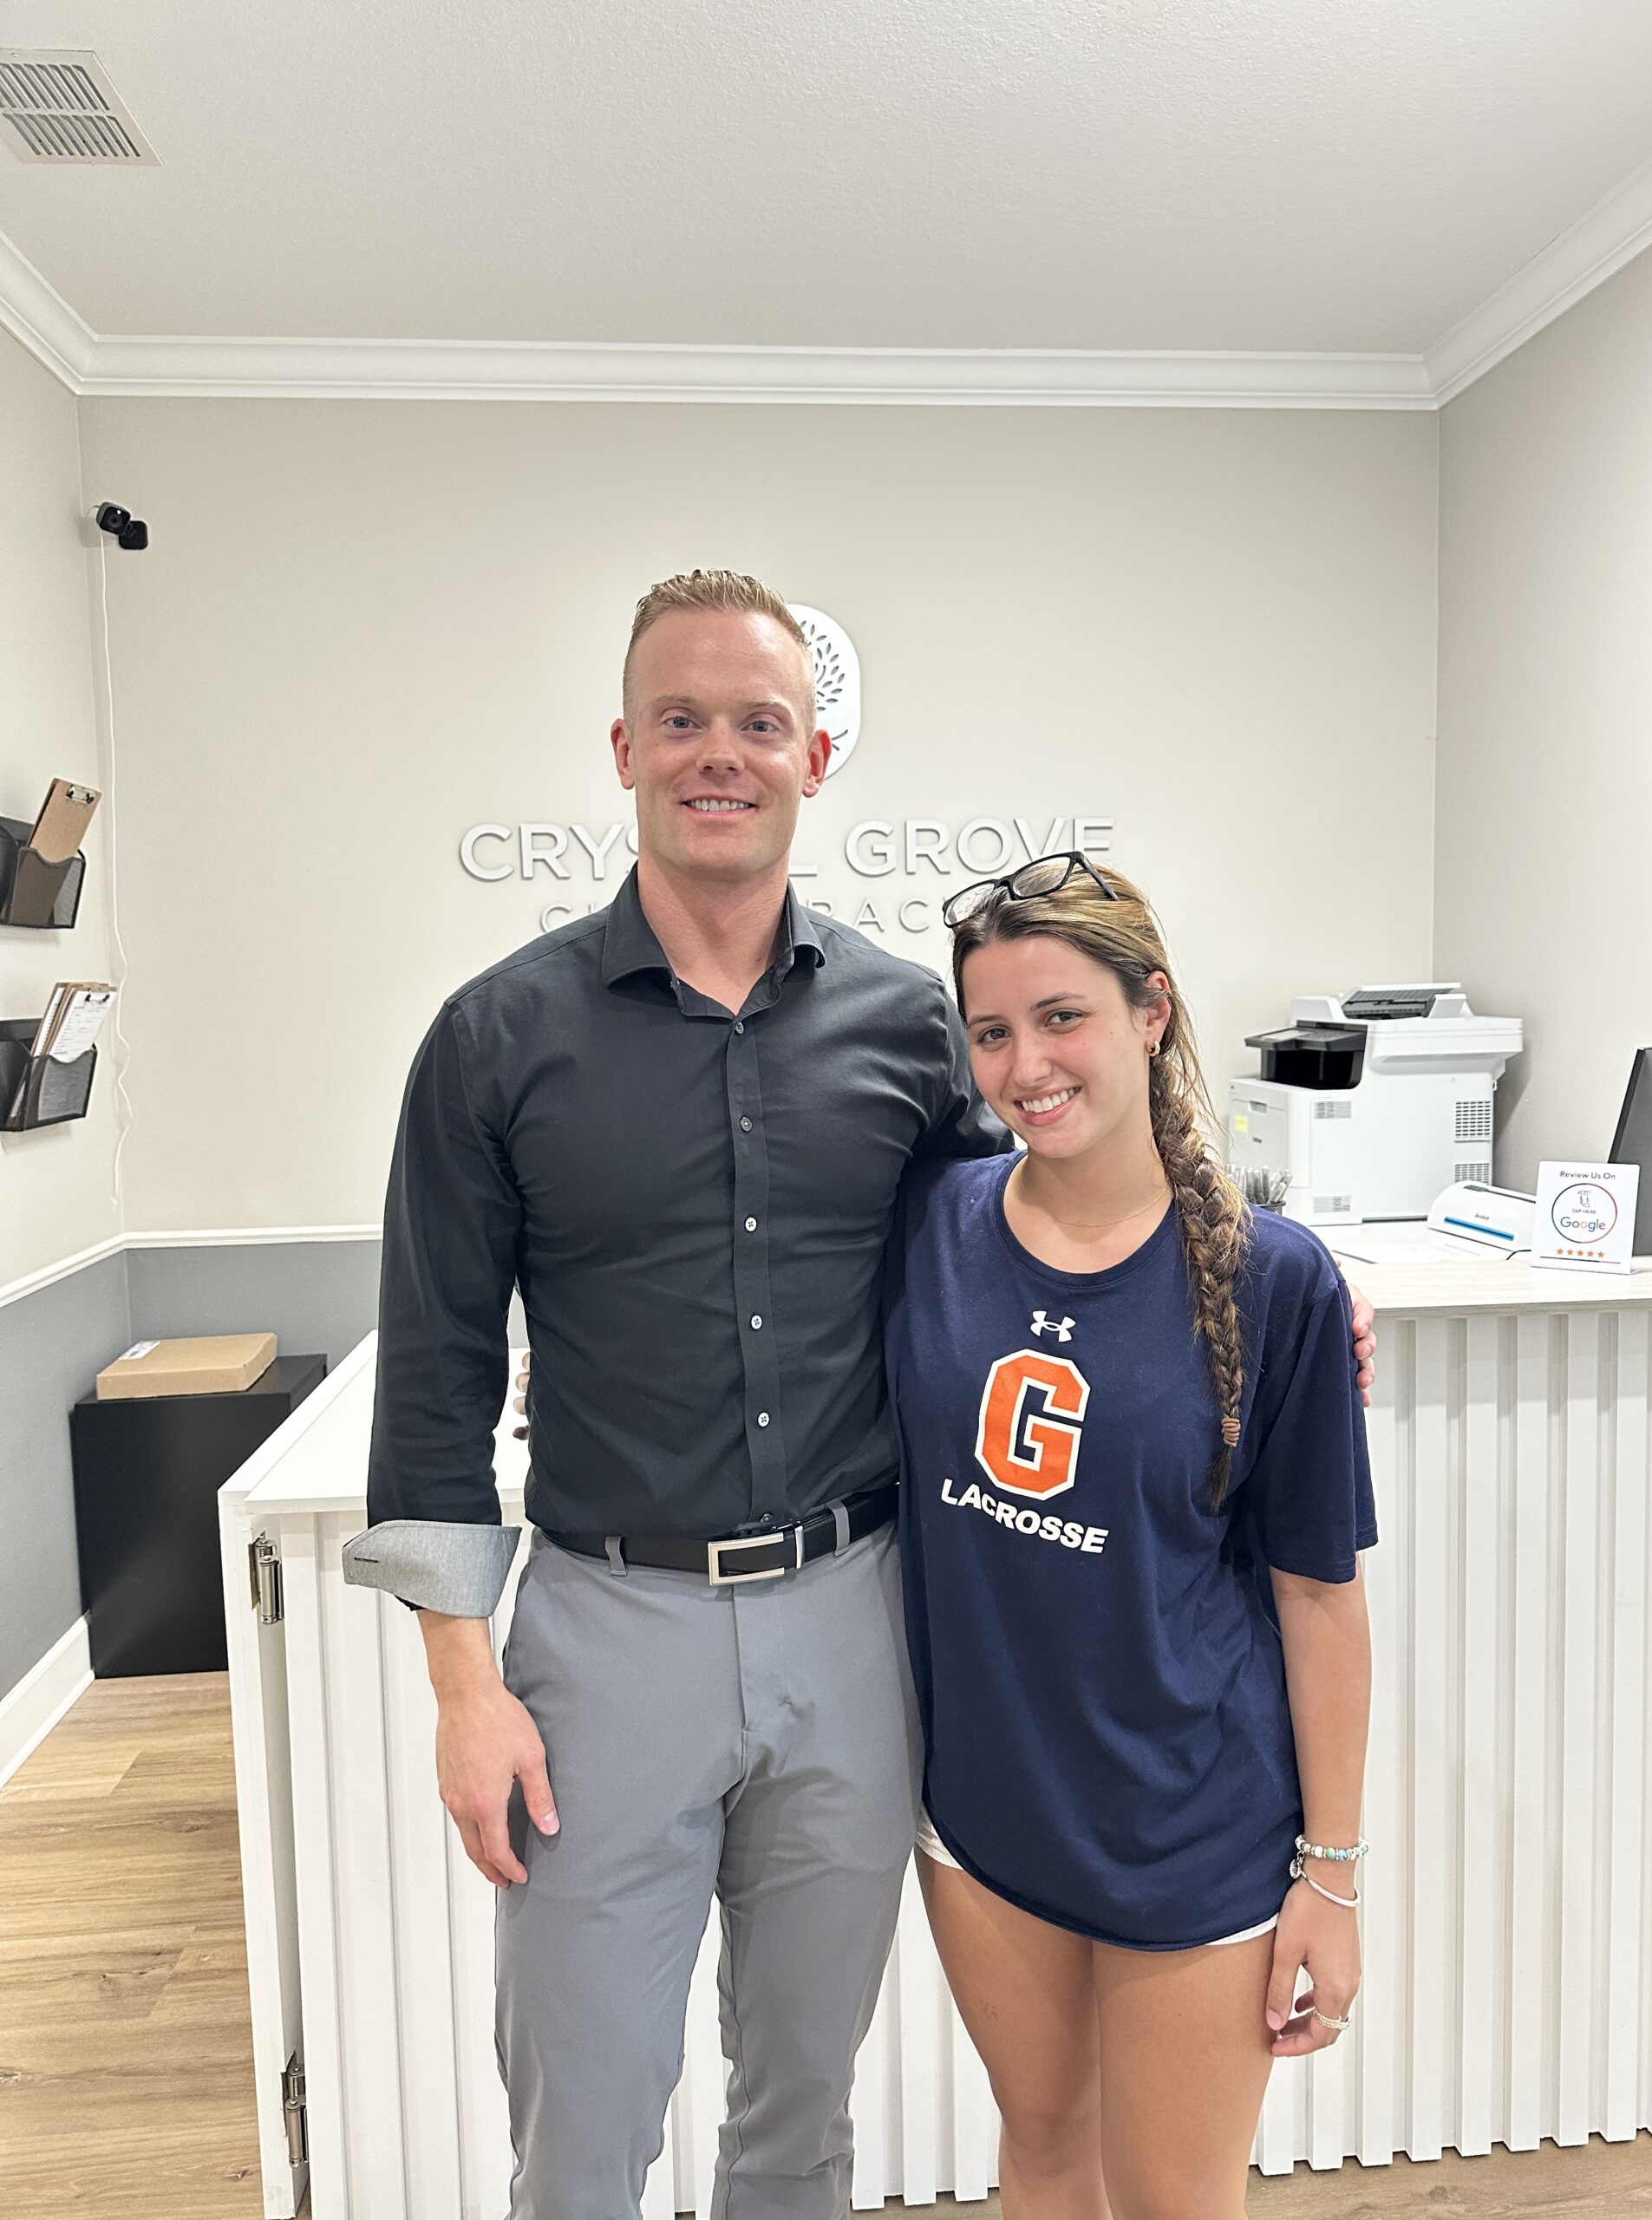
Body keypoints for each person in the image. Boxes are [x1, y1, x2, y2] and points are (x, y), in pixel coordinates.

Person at [345, 569, 1377, 2219]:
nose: (720, 754)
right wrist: (464, 1690)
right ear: (622, 745)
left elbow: (1066, 1205)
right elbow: (437, 1384)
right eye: (682, 719)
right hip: (609, 1633)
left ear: (815, 757)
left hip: (859, 1618)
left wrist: (1266, 1263)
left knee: (801, 2107)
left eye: (759, 723)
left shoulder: (915, 1030)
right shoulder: (494, 1041)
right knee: (583, 2114)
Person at [885, 853, 1374, 2220]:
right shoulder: (929, 1223)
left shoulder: (1272, 1279)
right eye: (992, 1031)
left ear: (1151, 1011)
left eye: (1062, 1017)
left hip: (1190, 1830)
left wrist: (1328, 1883)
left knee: (1172, 2202)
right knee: (1041, 2151)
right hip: (986, 1821)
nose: (1026, 1062)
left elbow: (1321, 1603)